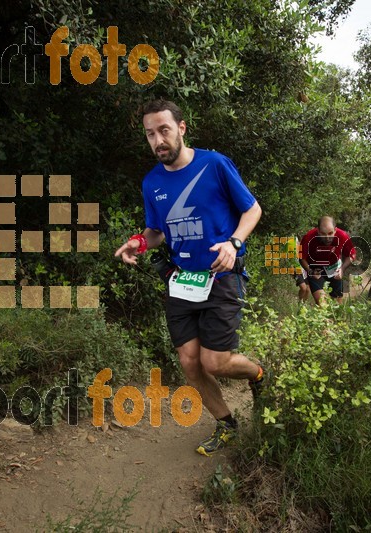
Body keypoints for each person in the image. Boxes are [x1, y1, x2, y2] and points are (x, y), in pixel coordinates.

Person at [114, 99, 266, 456]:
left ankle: (259, 374)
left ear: (181, 128)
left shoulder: (213, 164)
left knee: (216, 362)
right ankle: (226, 423)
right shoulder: (152, 183)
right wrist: (138, 243)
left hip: (222, 274)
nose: (158, 140)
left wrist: (234, 243)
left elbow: (253, 209)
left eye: (164, 130)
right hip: (183, 280)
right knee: (189, 362)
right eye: (150, 134)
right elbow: (157, 231)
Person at [299, 216, 356, 305]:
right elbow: (302, 258)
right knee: (322, 304)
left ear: (335, 230)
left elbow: (352, 255)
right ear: (318, 230)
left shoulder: (342, 235)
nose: (327, 237)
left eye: (330, 233)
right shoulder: (308, 237)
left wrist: (342, 269)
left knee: (337, 306)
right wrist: (310, 271)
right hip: (316, 269)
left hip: (334, 268)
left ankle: (335, 318)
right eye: (323, 233)